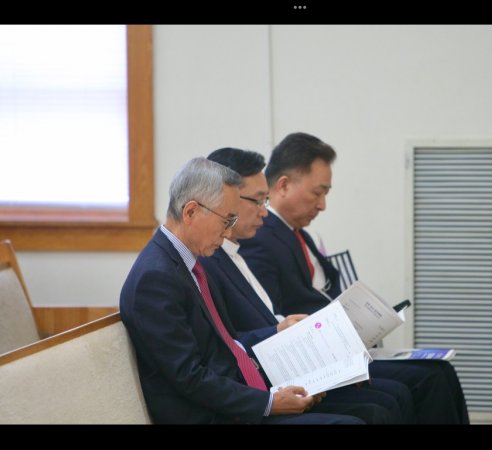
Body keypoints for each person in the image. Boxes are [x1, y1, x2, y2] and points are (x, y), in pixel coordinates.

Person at [120, 156, 390, 424]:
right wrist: (269, 403)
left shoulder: (185, 263)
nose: (228, 233)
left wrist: (281, 355)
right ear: (190, 212)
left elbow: (228, 343)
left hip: (238, 394)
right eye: (226, 220)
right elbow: (189, 376)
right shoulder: (156, 278)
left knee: (373, 409)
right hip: (211, 414)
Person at [238, 132, 470, 424]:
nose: (322, 205)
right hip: (317, 359)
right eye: (317, 193)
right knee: (427, 379)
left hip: (342, 347)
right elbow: (272, 317)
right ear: (283, 185)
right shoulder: (261, 240)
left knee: (438, 371)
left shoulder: (297, 234)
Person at [202, 147, 416, 424]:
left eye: (265, 201)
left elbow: (269, 319)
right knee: (381, 406)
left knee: (390, 398)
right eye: (258, 201)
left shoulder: (236, 253)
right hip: (265, 384)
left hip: (289, 369)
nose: (264, 212)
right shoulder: (213, 261)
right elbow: (226, 347)